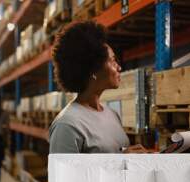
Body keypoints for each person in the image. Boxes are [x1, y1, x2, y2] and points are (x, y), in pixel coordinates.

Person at [49, 21, 147, 154]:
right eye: (112, 61)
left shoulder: (112, 115)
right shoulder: (67, 125)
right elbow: (63, 175)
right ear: (93, 70)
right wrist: (121, 160)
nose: (119, 67)